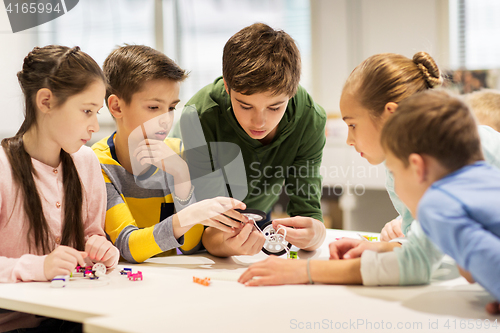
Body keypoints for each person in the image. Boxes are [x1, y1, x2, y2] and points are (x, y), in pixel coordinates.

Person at [238, 52, 500, 289]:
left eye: (352, 125)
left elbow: (417, 262)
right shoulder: (424, 162)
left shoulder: (443, 171)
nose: (349, 140)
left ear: (389, 116)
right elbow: (429, 244)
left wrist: (306, 270)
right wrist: (383, 248)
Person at [170, 23, 327, 257]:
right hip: (181, 224)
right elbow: (207, 227)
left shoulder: (310, 118)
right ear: (227, 85)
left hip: (254, 218)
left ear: (292, 92)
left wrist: (316, 234)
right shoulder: (199, 116)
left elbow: (307, 211)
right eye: (245, 105)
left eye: (275, 107)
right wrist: (224, 242)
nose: (259, 122)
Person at [92, 45, 249, 264]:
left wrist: (182, 176)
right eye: (154, 107)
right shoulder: (97, 164)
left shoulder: (177, 154)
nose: (165, 120)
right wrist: (191, 214)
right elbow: (127, 247)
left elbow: (190, 246)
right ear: (117, 107)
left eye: (171, 107)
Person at [0, 45, 119, 332]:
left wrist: (103, 252)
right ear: (45, 101)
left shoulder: (87, 162)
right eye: (87, 111)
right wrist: (39, 267)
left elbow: (91, 238)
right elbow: (44, 266)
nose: (94, 126)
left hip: (75, 316)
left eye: (97, 112)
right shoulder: (3, 168)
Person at [380, 90, 500, 315]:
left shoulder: (435, 204)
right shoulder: (488, 175)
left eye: (394, 172)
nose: (394, 186)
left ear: (417, 167)